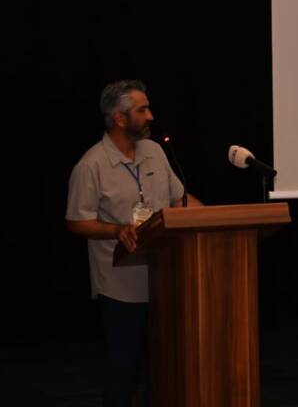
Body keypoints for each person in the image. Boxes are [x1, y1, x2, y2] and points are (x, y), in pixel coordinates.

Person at [65, 79, 203, 407]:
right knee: (123, 367)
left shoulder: (154, 151)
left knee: (165, 365)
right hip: (120, 285)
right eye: (142, 110)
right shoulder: (91, 165)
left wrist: (212, 220)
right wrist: (116, 231)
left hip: (165, 278)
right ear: (119, 118)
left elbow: (180, 200)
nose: (151, 116)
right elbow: (76, 221)